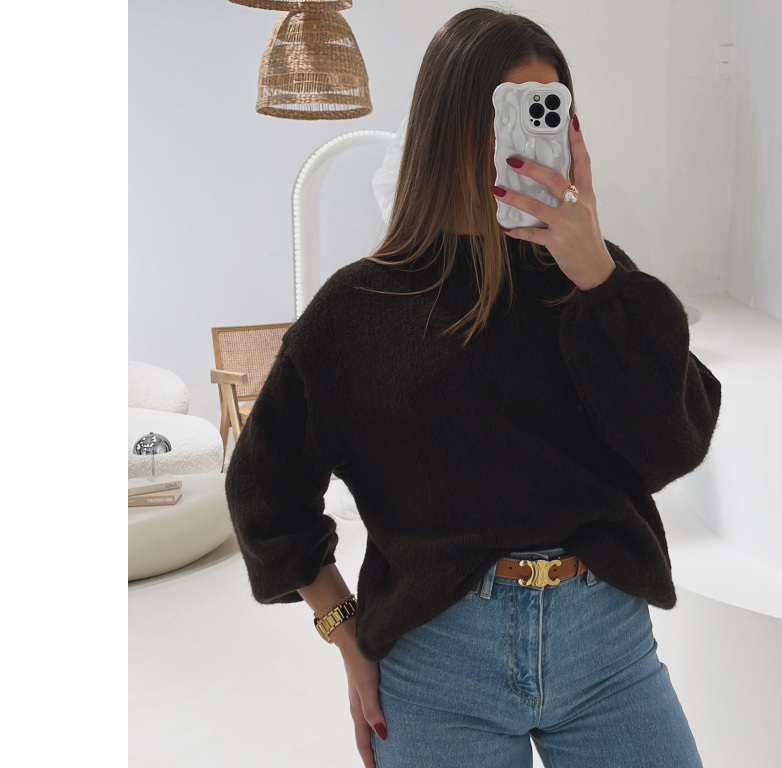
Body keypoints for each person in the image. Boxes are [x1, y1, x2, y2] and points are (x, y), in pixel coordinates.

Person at [225, 7, 722, 768]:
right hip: (437, 665)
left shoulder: (596, 282)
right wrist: (344, 632)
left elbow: (671, 444)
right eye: (504, 112)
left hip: (608, 652)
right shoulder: (360, 307)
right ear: (446, 124)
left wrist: (599, 277)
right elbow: (266, 490)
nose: (525, 137)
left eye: (546, 109)